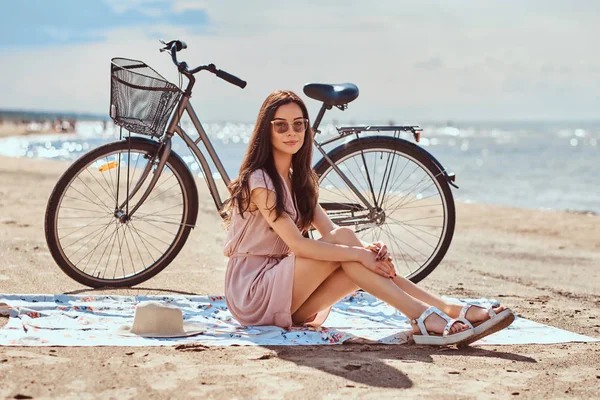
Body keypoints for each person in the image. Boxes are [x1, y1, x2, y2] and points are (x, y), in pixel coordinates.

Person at [223, 90, 514, 346]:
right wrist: (358, 253)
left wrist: (367, 251)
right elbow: (298, 246)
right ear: (266, 131)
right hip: (254, 292)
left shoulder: (298, 181)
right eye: (281, 126)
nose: (291, 132)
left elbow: (333, 231)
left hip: (288, 299)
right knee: (348, 247)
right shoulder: (260, 181)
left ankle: (443, 310)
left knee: (349, 243)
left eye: (299, 125)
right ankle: (428, 315)